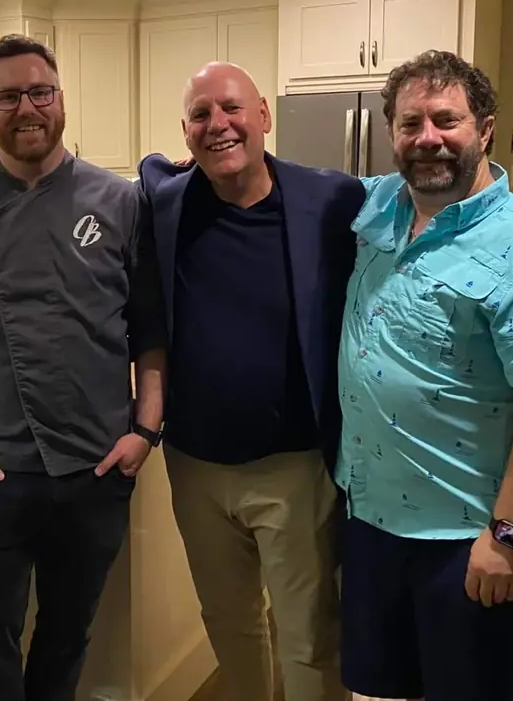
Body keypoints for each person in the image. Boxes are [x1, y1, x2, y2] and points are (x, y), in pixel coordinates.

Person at [0, 34, 167, 701]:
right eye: (7, 95)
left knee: (66, 635)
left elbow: (149, 330)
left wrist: (145, 430)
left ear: (60, 100)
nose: (26, 107)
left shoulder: (120, 200)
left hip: (93, 468)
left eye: (40, 92)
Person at [337, 50, 513, 701]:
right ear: (390, 132)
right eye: (410, 122)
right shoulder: (379, 207)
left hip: (465, 536)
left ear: (484, 129)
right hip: (369, 516)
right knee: (386, 691)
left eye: (445, 120)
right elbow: (284, 185)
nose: (427, 139)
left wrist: (509, 533)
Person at [139, 63, 360, 701]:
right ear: (185, 132)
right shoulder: (164, 198)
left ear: (263, 113)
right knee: (230, 624)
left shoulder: (331, 199)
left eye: (231, 109)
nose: (219, 126)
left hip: (295, 467)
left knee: (310, 636)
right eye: (201, 115)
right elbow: (119, 176)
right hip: (195, 466)